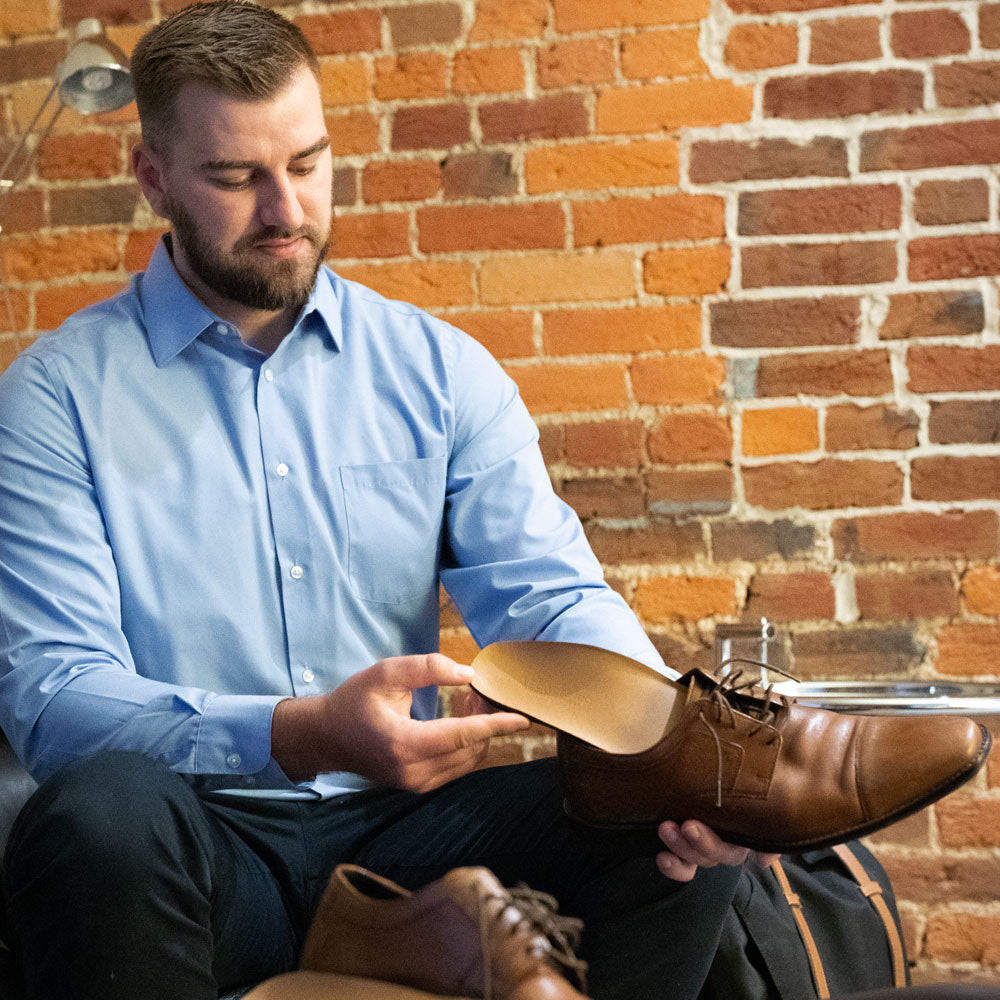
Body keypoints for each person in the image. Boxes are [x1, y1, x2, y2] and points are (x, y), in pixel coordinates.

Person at [0, 3, 764, 998]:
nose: (286, 209)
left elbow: (548, 599)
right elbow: (57, 697)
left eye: (308, 163)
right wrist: (298, 730)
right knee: (99, 810)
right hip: (197, 844)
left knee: (654, 816)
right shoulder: (54, 396)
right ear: (154, 179)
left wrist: (668, 740)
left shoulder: (440, 370)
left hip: (409, 835)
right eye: (235, 178)